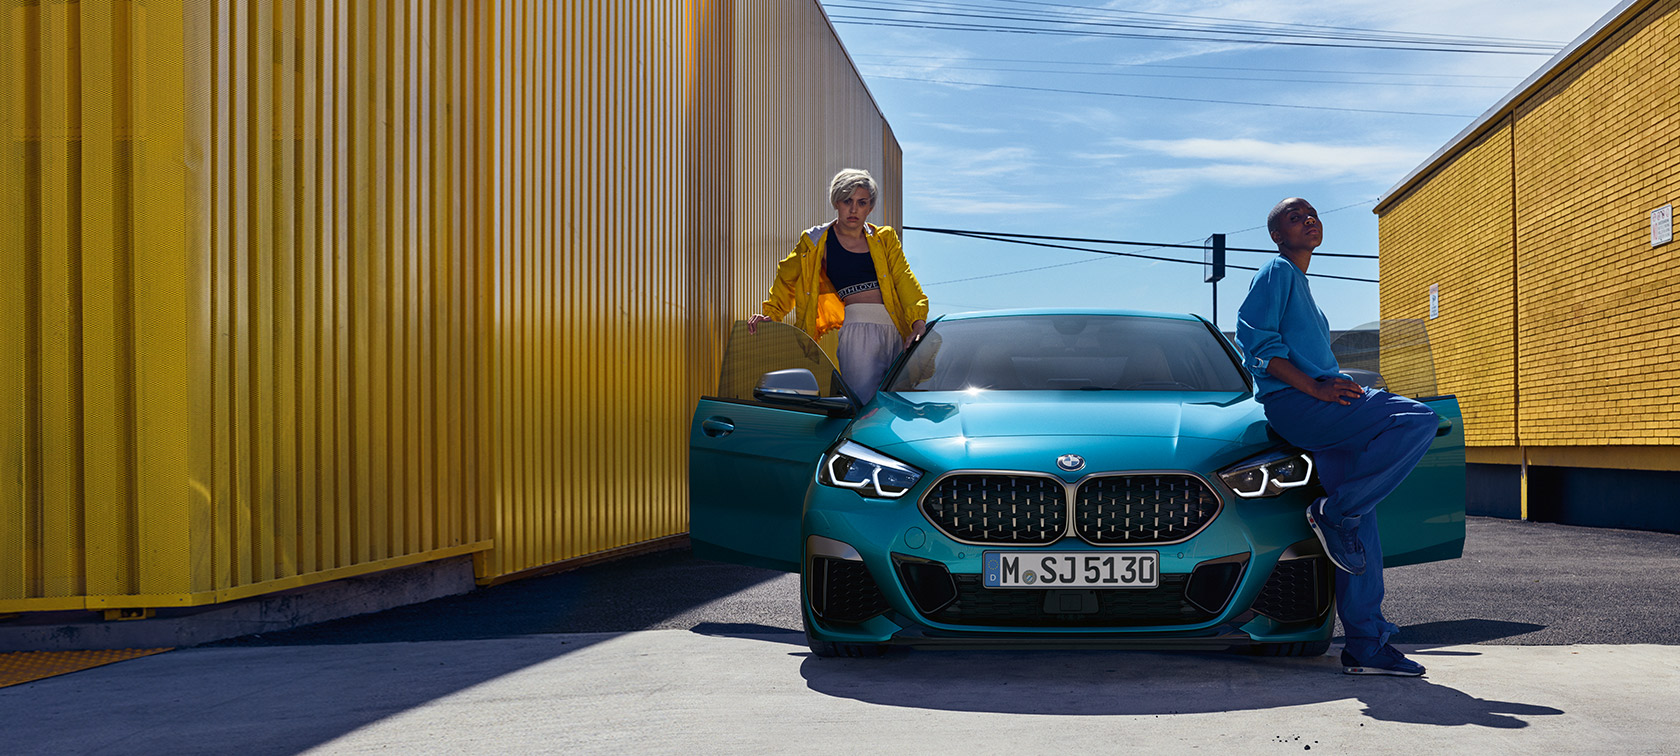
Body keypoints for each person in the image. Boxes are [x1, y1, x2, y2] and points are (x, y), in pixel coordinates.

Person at [1235, 197, 1440, 677]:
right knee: (1418, 420)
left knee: (1360, 532)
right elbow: (1255, 344)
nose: (1307, 219)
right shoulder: (1276, 272)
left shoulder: (1302, 286)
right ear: (1277, 236)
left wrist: (1331, 377)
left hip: (1322, 405)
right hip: (1301, 406)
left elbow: (1308, 358)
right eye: (1293, 217)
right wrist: (1315, 386)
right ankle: (1335, 510)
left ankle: (1366, 644)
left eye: (1311, 214)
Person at [748, 168, 928, 405]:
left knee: (899, 403)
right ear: (836, 202)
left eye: (861, 202)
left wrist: (918, 322)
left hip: (896, 328)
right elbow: (787, 276)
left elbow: (905, 278)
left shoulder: (884, 239)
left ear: (870, 207)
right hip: (858, 331)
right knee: (862, 404)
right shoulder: (815, 241)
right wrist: (772, 313)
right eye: (847, 201)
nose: (854, 209)